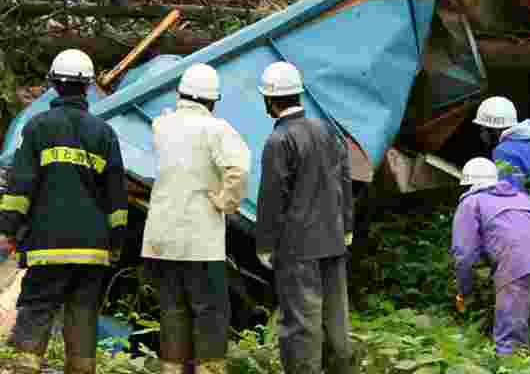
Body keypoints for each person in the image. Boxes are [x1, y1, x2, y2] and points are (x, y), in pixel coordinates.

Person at [0, 49, 127, 374]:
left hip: (46, 245)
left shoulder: (37, 128)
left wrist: (7, 231)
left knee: (37, 309)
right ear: (87, 86)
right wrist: (115, 243)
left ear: (53, 83)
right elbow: (116, 198)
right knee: (83, 315)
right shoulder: (104, 133)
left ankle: (26, 368)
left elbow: (20, 189)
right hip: (92, 250)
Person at [141, 63, 251, 374]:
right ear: (213, 100)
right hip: (200, 239)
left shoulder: (161, 126)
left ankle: (172, 369)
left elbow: (166, 127)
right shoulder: (217, 129)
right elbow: (239, 170)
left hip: (162, 238)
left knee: (172, 310)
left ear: (180, 93)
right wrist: (225, 202)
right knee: (210, 311)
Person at [255, 61, 354, 374]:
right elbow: (345, 183)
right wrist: (347, 227)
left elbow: (272, 199)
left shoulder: (278, 141)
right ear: (298, 94)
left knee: (301, 323)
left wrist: (265, 246)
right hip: (333, 240)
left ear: (269, 100)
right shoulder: (326, 130)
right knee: (336, 320)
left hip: (298, 249)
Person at [451, 157, 530, 357]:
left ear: (468, 184)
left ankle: (511, 365)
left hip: (517, 264)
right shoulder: (521, 196)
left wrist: (463, 291)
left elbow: (464, 255)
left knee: (510, 342)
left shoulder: (471, 202)